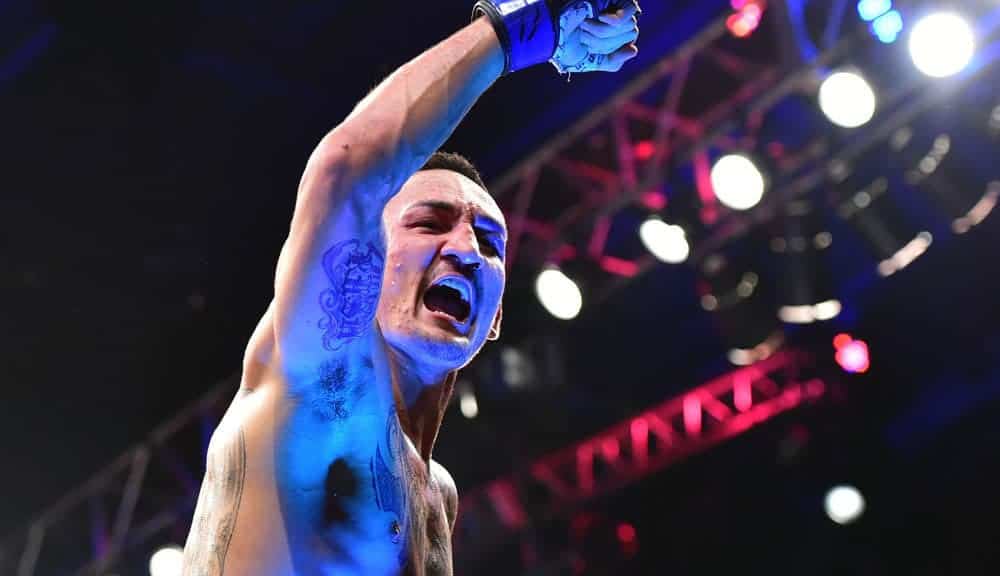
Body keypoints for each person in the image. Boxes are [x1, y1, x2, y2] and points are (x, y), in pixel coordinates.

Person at [182, 1, 640, 574]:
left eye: (490, 243)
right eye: (429, 223)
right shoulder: (326, 384)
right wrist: (514, 33)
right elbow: (346, 171)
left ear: (496, 317)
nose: (466, 251)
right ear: (363, 265)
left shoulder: (438, 496)